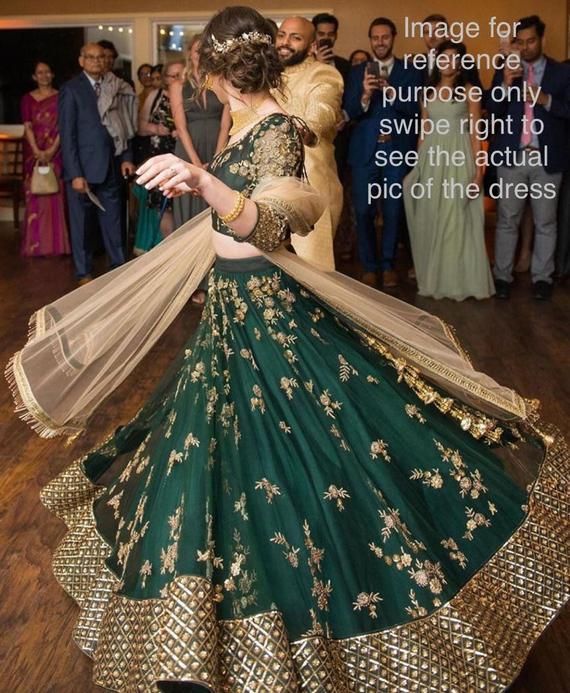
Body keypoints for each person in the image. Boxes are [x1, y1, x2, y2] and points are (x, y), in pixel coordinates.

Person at [8, 7, 568, 692]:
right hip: (232, 309)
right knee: (216, 450)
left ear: (220, 75)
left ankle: (286, 626)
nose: (205, 88)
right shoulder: (252, 122)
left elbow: (270, 225)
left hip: (266, 311)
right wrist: (203, 178)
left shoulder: (275, 129)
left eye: (206, 76)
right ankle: (199, 630)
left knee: (300, 448)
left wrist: (203, 181)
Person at [487, 14, 570, 300]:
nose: (524, 47)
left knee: (546, 222)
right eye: (519, 42)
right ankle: (501, 277)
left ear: (542, 40)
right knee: (507, 219)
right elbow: (492, 113)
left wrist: (545, 99)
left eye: (530, 40)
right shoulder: (506, 69)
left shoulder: (562, 73)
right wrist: (505, 86)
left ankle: (542, 278)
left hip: (546, 158)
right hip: (512, 157)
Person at [404, 41, 494, 300]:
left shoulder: (470, 91)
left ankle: (459, 281)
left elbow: (477, 134)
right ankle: (435, 277)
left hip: (458, 157)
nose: (449, 63)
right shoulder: (427, 92)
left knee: (456, 218)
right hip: (432, 160)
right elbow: (424, 131)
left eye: (455, 58)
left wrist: (479, 172)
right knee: (433, 216)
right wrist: (417, 167)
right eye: (444, 58)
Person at [344, 17, 422, 288]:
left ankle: (388, 265)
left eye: (385, 37)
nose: (380, 42)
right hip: (365, 153)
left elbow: (415, 111)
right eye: (375, 38)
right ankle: (369, 266)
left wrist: (392, 94)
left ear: (393, 38)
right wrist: (365, 95)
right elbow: (349, 111)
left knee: (392, 211)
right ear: (370, 40)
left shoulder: (411, 71)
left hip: (396, 152)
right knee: (364, 211)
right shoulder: (357, 73)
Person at [58, 43, 136, 284]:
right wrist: (75, 174)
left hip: (112, 167)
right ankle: (84, 272)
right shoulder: (71, 90)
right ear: (81, 61)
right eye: (90, 57)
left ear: (106, 60)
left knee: (114, 222)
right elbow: (67, 135)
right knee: (82, 226)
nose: (96, 61)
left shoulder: (115, 87)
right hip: (83, 171)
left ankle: (118, 267)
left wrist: (126, 158)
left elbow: (125, 126)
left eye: (100, 57)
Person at [275, 16, 344, 271]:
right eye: (282, 35)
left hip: (311, 185)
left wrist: (306, 128)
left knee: (311, 271)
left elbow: (322, 114)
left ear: (312, 45)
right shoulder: (266, 76)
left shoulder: (324, 74)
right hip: (267, 186)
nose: (285, 43)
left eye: (296, 38)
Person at [170, 34, 230, 228]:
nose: (201, 55)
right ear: (190, 54)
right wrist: (195, 163)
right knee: (189, 201)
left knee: (217, 199)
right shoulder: (178, 85)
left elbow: (225, 125)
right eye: (198, 51)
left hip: (218, 145)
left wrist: (216, 160)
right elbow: (180, 126)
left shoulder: (222, 82)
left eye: (206, 51)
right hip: (188, 148)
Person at [133, 59, 184, 252]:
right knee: (164, 204)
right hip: (161, 156)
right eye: (173, 75)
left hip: (184, 155)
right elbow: (141, 126)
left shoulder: (191, 95)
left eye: (181, 74)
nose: (178, 79)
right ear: (165, 79)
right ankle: (170, 252)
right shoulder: (156, 96)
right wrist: (158, 129)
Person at [20, 60, 70, 257]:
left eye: (47, 72)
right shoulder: (27, 99)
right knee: (36, 194)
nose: (44, 75)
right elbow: (28, 126)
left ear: (52, 74)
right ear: (34, 76)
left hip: (56, 153)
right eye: (39, 72)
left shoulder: (60, 97)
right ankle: (36, 246)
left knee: (56, 195)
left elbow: (63, 127)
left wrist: (51, 150)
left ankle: (57, 246)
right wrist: (37, 151)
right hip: (34, 153)